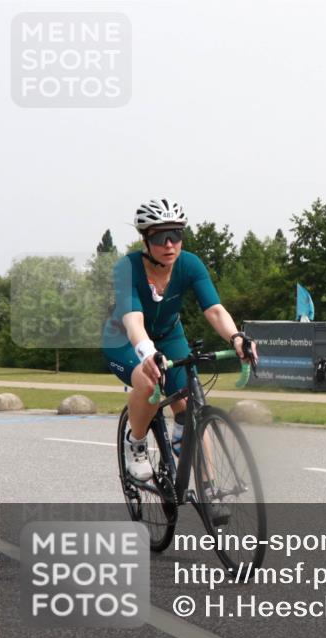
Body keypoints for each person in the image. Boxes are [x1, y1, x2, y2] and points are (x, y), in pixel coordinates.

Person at [103, 198, 259, 483]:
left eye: (176, 235)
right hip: (125, 339)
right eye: (162, 237)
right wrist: (147, 353)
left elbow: (214, 309)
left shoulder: (189, 264)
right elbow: (133, 321)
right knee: (148, 381)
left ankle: (208, 487)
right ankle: (135, 441)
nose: (170, 244)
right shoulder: (128, 268)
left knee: (192, 402)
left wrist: (236, 337)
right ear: (146, 240)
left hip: (170, 335)